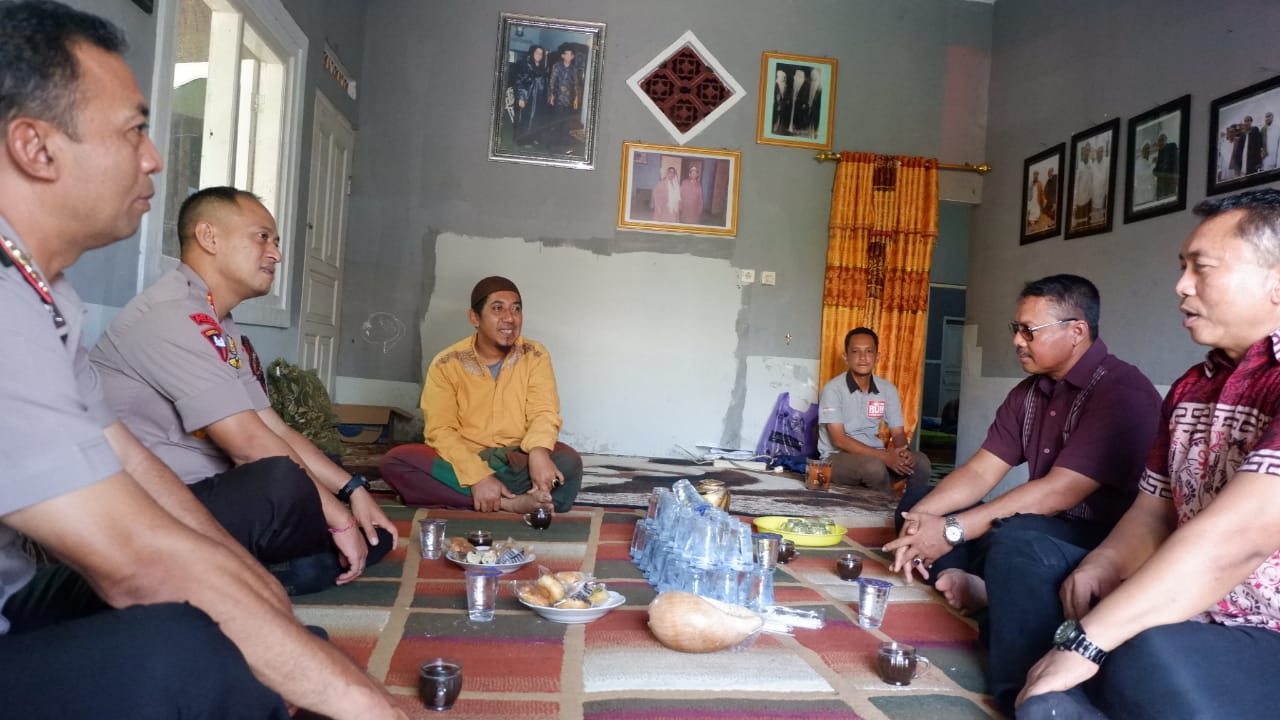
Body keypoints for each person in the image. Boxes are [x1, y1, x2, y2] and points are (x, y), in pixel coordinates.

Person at [0, 2, 404, 717]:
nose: (154, 157)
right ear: (36, 147)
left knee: (235, 623)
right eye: (133, 130)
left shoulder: (45, 298)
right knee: (189, 648)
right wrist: (370, 704)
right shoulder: (32, 311)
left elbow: (139, 470)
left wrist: (263, 602)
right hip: (85, 551)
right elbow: (144, 556)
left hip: (32, 587)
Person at [1017, 189, 1280, 720]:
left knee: (1143, 647)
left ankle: (1057, 694)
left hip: (1261, 626)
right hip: (1181, 601)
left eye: (1202, 268)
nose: (1182, 286)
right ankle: (1033, 698)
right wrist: (1105, 563)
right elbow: (1154, 510)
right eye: (1183, 267)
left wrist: (1086, 642)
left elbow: (1238, 540)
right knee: (1028, 554)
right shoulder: (1191, 388)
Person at [91, 186, 397, 595]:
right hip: (156, 508)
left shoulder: (218, 323)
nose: (276, 254)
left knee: (352, 508)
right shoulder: (170, 315)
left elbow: (275, 428)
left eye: (276, 241)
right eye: (262, 237)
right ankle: (253, 574)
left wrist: (353, 490)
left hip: (214, 492)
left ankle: (261, 571)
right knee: (281, 479)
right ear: (209, 237)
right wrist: (340, 520)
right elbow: (251, 447)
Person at [883, 274, 1160, 715]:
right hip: (1038, 524)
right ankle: (971, 582)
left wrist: (951, 531)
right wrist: (923, 523)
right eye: (1016, 328)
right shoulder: (1029, 393)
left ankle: (1021, 696)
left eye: (1029, 330)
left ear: (1076, 331)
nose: (1017, 340)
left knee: (1014, 542)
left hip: (1100, 540)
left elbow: (1059, 492)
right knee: (918, 500)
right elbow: (980, 471)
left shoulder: (1120, 390)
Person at [380, 276, 582, 514]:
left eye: (516, 309)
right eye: (498, 308)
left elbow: (544, 411)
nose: (509, 318)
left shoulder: (535, 354)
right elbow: (440, 430)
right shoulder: (446, 363)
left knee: (569, 461)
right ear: (474, 318)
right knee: (396, 461)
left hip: (518, 458)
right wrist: (477, 476)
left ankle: (464, 494)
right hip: (464, 458)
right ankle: (510, 502)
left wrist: (539, 452)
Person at [817, 327, 932, 495]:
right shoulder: (833, 389)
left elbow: (898, 432)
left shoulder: (887, 389)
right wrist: (884, 457)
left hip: (875, 455)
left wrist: (903, 452)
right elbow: (839, 440)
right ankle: (889, 507)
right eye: (855, 351)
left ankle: (913, 506)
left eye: (869, 351)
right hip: (836, 457)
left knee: (921, 462)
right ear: (846, 357)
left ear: (877, 357)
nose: (863, 357)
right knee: (874, 467)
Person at [546, 45, 582, 154]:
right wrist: (551, 95)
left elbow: (576, 85)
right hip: (557, 98)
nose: (568, 56)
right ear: (562, 56)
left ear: (573, 57)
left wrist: (576, 99)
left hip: (569, 100)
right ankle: (551, 144)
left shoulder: (574, 69)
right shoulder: (557, 66)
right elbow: (552, 81)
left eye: (570, 54)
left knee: (565, 123)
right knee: (556, 122)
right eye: (566, 54)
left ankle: (562, 144)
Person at [512, 44, 548, 147]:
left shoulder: (542, 67)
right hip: (527, 97)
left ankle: (533, 138)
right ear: (532, 53)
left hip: (538, 99)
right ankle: (521, 141)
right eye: (537, 52)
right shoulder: (524, 65)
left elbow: (544, 84)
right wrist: (521, 98)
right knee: (525, 119)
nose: (539, 55)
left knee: (535, 119)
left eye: (541, 53)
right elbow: (519, 82)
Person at [1072, 142, 1094, 229]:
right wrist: (1074, 205)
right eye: (1085, 150)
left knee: (1088, 225)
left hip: (1088, 200)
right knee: (1079, 226)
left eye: (1088, 150)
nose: (1086, 152)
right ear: (1082, 152)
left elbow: (1092, 182)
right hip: (1079, 202)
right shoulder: (1079, 167)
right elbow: (1075, 187)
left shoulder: (1091, 165)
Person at [1154, 133, 1179, 199]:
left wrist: (1175, 178)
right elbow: (1156, 171)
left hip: (1169, 183)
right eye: (1159, 141)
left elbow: (1175, 164)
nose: (1160, 143)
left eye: (1162, 140)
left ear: (1166, 140)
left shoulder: (1171, 147)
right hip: (1162, 186)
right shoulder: (1160, 152)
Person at [1133, 142, 1156, 207]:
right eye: (1146, 149)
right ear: (1142, 150)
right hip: (1142, 195)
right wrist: (1153, 165)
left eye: (1148, 148)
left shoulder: (1149, 161)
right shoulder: (1138, 162)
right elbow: (1142, 176)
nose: (1147, 150)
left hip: (1150, 193)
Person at [771, 69, 792, 135]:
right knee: (775, 117)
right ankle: (774, 128)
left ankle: (779, 128)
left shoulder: (786, 85)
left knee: (781, 117)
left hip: (783, 105)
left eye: (785, 77)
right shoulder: (775, 84)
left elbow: (786, 95)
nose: (784, 78)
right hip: (776, 104)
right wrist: (778, 104)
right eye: (783, 77)